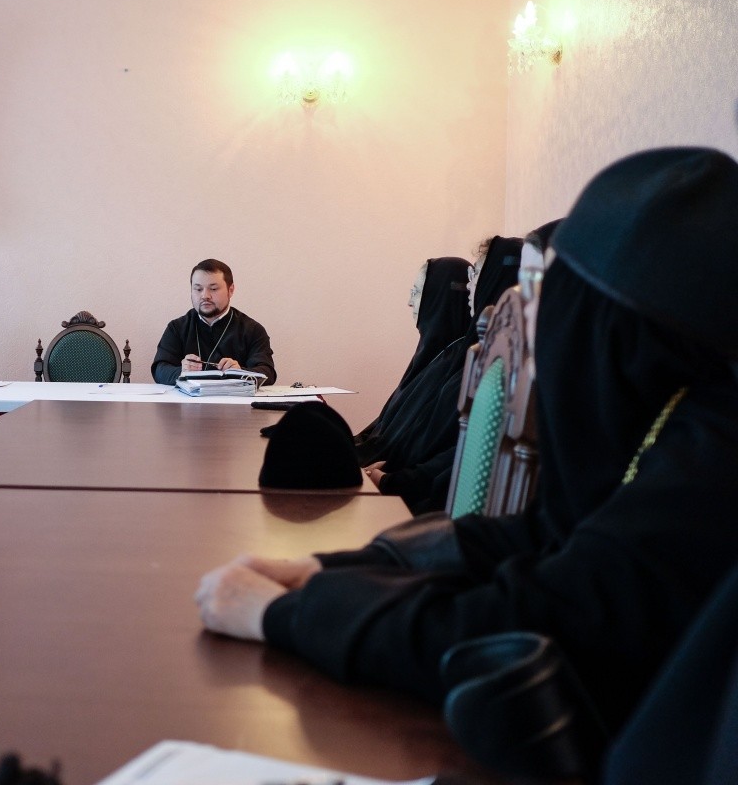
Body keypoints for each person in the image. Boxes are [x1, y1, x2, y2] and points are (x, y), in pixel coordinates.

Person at [195, 147, 738, 748]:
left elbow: (531, 631)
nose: (527, 314)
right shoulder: (662, 413)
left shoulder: (711, 464)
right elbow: (538, 535)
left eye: (544, 288)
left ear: (597, 318)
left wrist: (281, 615)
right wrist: (326, 568)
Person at [357, 236, 522, 510]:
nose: (470, 287)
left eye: (476, 275)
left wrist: (391, 480)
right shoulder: (459, 355)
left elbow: (458, 452)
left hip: (428, 503)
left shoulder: (483, 363)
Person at [353, 256, 469, 452]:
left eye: (416, 292)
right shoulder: (430, 354)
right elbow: (382, 431)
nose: (409, 302)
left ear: (439, 298)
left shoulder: (455, 364)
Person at [151, 259, 276, 385]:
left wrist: (240, 372)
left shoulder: (252, 330)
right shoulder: (177, 328)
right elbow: (159, 370)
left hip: (233, 398)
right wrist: (182, 371)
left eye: (214, 289)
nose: (205, 295)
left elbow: (268, 373)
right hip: (189, 398)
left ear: (231, 290)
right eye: (198, 289)